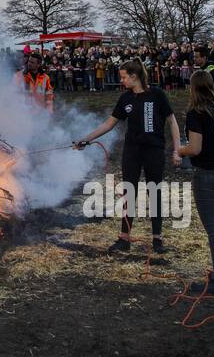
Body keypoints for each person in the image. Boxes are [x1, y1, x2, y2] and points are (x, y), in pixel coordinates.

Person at [74, 60, 181, 254]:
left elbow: (172, 121)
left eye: (123, 77)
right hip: (132, 151)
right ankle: (124, 238)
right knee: (129, 192)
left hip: (154, 150)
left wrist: (177, 149)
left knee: (154, 191)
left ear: (134, 76)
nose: (121, 80)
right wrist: (86, 139)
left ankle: (157, 239)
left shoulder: (157, 95)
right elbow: (109, 124)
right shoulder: (125, 99)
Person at [173, 70, 214, 298]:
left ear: (193, 88)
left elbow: (195, 148)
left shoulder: (195, 113)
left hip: (207, 174)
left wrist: (180, 149)